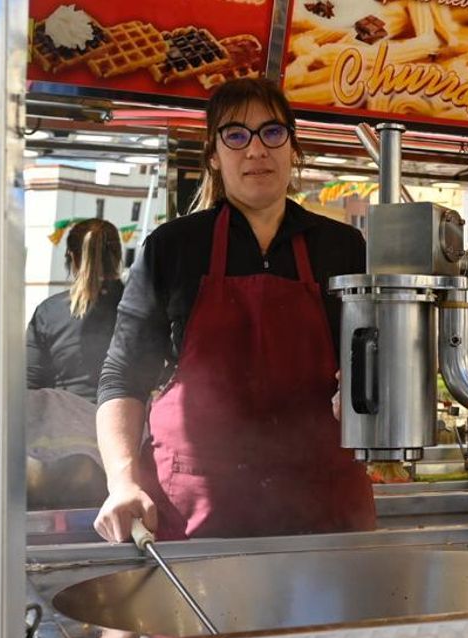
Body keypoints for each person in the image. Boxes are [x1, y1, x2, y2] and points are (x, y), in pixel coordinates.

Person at [93, 78, 375, 543]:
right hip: (199, 507)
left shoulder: (342, 248)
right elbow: (122, 376)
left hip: (318, 509)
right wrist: (121, 481)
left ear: (294, 148)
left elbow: (370, 368)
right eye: (236, 135)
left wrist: (362, 392)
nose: (256, 150)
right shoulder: (174, 247)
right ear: (213, 154)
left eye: (272, 132)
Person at [27, 218, 124, 403]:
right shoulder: (140, 308)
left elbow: (30, 382)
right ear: (118, 255)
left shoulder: (49, 312)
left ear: (72, 258)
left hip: (65, 425)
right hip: (128, 425)